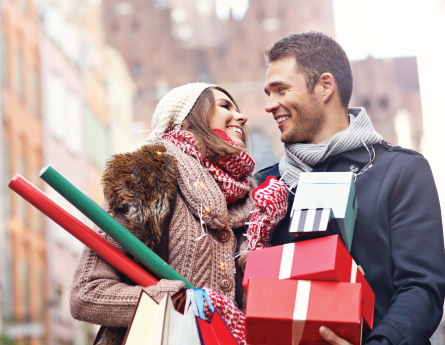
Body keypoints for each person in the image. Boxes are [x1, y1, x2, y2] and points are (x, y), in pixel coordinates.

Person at [258, 32, 445, 345]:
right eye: (268, 93)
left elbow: (421, 288)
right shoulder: (267, 186)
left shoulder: (400, 171)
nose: (269, 105)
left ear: (325, 86)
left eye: (281, 90)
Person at [69, 82, 288, 345]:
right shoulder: (148, 178)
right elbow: (87, 293)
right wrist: (182, 303)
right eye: (224, 106)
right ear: (184, 120)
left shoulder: (259, 200)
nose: (242, 116)